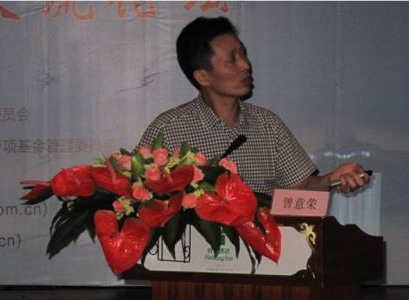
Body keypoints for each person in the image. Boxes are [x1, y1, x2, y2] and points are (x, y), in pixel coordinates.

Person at [137, 16, 370, 195]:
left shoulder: (268, 125)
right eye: (231, 60)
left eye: (243, 54)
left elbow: (302, 187)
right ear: (203, 76)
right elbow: (137, 196)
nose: (245, 65)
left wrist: (331, 180)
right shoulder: (169, 129)